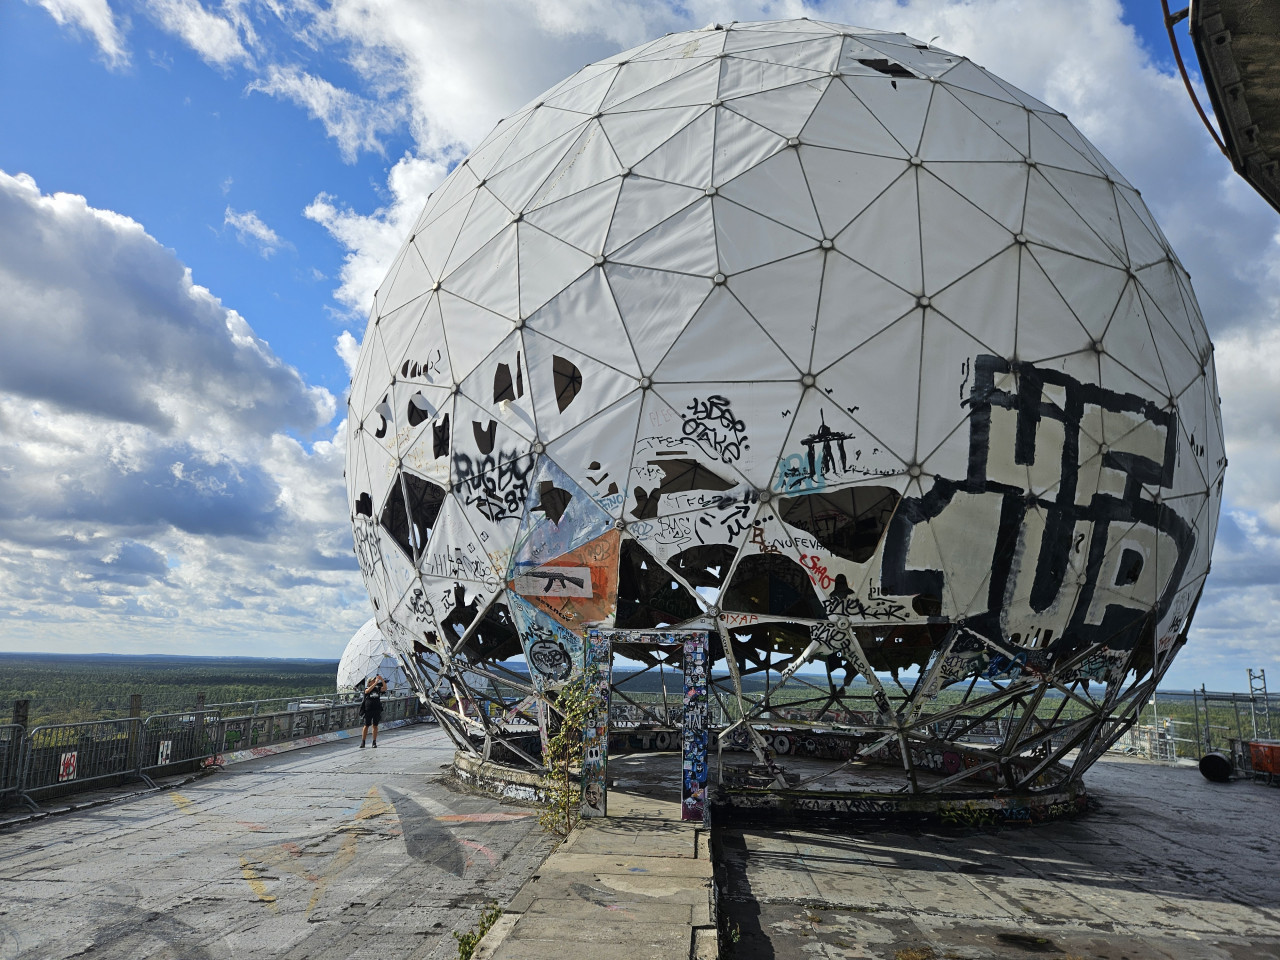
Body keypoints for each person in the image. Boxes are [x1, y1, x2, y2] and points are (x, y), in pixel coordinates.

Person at [360, 674, 387, 748]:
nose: (374, 681)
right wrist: (375, 683)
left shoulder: (377, 688)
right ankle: (363, 741)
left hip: (377, 709)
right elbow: (368, 691)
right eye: (372, 681)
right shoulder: (366, 689)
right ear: (369, 683)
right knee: (366, 725)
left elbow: (384, 688)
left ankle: (374, 742)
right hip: (368, 710)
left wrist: (382, 680)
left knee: (375, 725)